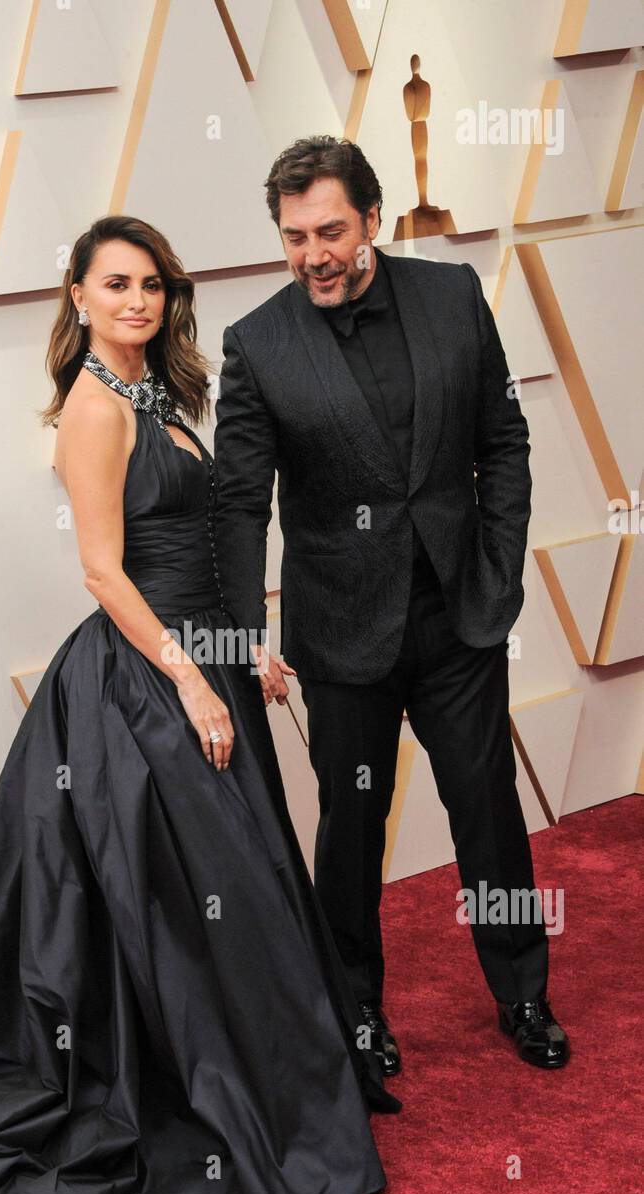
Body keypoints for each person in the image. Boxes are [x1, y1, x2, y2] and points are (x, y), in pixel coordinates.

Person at [0, 213, 400, 1194]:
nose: (137, 301)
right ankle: (224, 1096)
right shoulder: (91, 409)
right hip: (147, 679)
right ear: (77, 296)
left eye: (152, 284)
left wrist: (244, 646)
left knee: (223, 888)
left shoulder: (156, 391)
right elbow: (105, 570)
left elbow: (199, 539)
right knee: (198, 899)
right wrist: (193, 683)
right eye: (115, 284)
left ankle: (256, 1080)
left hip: (204, 654)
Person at [213, 137, 570, 1077]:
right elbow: (243, 499)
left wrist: (496, 566)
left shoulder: (453, 297)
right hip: (340, 635)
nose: (313, 254)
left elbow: (505, 438)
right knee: (351, 829)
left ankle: (523, 993)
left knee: (488, 811)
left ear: (373, 218)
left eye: (330, 230)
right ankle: (357, 1011)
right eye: (294, 237)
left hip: (457, 618)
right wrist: (245, 626)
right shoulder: (257, 343)